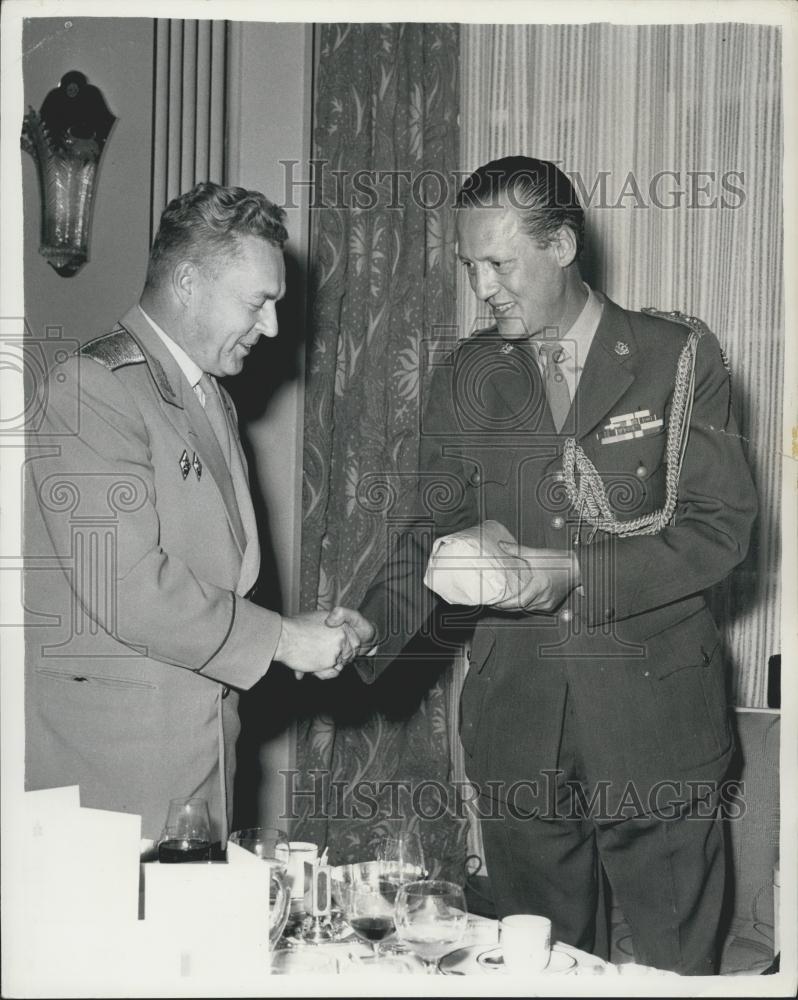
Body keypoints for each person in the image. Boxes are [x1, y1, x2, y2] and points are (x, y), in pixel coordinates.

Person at [352, 156, 757, 974]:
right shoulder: (468, 371)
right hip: (519, 724)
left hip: (657, 725)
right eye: (471, 266)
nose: (483, 287)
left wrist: (575, 573)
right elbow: (433, 528)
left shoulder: (675, 357)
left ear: (564, 244)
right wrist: (367, 625)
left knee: (677, 970)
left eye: (500, 263)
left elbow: (720, 529)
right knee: (537, 968)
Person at [24, 182, 374, 844]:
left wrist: (292, 632)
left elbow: (215, 580)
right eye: (257, 303)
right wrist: (280, 640)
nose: (272, 328)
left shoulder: (206, 396)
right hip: (113, 774)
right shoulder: (90, 390)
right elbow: (127, 589)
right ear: (186, 283)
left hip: (198, 756)